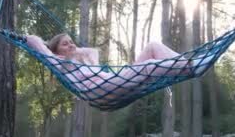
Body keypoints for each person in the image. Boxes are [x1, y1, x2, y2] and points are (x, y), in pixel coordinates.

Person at [25, 33, 205, 101]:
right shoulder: (61, 65)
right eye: (66, 44)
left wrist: (76, 49)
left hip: (115, 81)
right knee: (148, 66)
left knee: (153, 47)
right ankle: (191, 68)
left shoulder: (81, 62)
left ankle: (188, 64)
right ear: (57, 53)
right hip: (101, 90)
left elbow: (93, 52)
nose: (71, 45)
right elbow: (35, 42)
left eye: (72, 42)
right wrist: (27, 39)